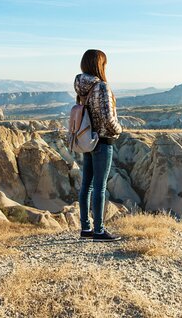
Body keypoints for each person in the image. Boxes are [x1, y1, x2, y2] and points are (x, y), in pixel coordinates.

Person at [74, 49, 123, 242]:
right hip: (103, 140)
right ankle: (99, 231)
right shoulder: (101, 87)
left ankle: (86, 228)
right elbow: (108, 118)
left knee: (86, 185)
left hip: (88, 140)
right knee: (100, 187)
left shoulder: (82, 87)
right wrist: (119, 129)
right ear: (99, 64)